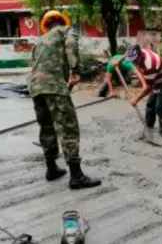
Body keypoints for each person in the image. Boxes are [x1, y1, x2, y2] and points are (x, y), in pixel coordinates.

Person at [28, 10, 101, 190]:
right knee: (68, 128)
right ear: (62, 21)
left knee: (47, 127)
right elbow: (71, 45)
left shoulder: (39, 41)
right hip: (54, 86)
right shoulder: (66, 31)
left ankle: (51, 168)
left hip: (36, 88)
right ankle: (76, 176)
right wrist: (76, 71)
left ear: (46, 24)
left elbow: (34, 65)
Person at [116, 44, 162, 136]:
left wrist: (136, 99)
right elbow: (126, 54)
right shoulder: (137, 52)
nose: (134, 63)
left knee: (160, 107)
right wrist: (118, 61)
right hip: (156, 79)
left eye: (135, 60)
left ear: (140, 55)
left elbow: (147, 88)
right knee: (150, 104)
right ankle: (149, 127)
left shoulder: (149, 65)